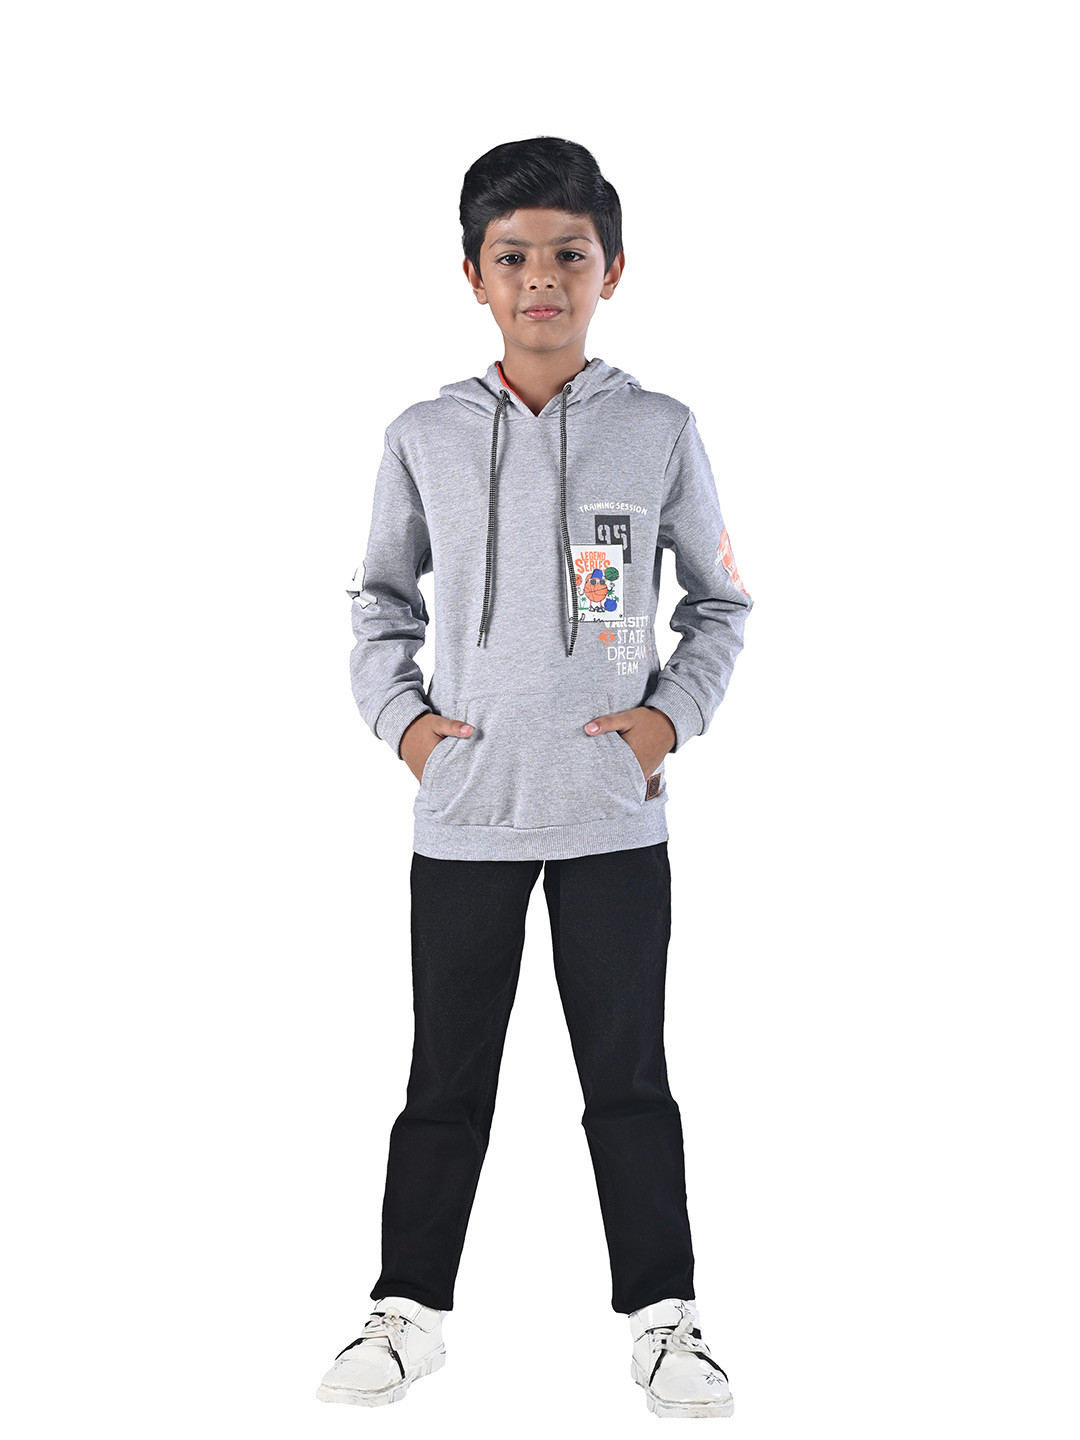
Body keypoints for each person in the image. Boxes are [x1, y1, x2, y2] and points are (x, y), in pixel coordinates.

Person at [316, 136, 753, 1419]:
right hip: (465, 816)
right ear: (475, 276)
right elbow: (378, 603)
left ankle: (665, 1321)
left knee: (629, 1079)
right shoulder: (423, 436)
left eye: (570, 253)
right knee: (444, 1082)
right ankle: (408, 1311)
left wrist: (664, 724)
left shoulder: (659, 431)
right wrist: (408, 730)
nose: (542, 279)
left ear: (613, 269)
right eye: (513, 258)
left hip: (614, 816)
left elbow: (721, 604)